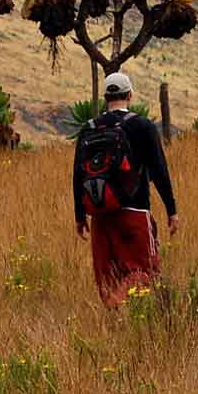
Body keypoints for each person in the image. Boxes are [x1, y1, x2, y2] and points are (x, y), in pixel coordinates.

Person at [73, 72, 179, 307]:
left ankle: (115, 321)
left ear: (105, 98)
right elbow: (159, 170)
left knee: (108, 278)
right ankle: (128, 317)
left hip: (100, 215)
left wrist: (80, 216)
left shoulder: (89, 128)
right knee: (144, 272)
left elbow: (78, 174)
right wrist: (172, 210)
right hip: (135, 212)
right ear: (129, 95)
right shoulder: (142, 126)